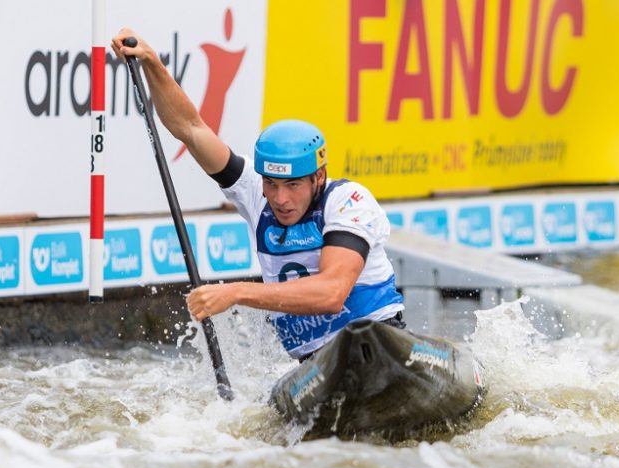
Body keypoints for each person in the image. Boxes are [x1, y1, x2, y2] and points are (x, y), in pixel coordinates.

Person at [111, 30, 405, 360]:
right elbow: (190, 129)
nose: (279, 199)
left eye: (293, 185)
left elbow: (332, 293)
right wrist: (152, 63)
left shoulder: (348, 201)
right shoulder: (253, 191)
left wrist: (236, 292)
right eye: (272, 185)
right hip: (316, 366)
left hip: (380, 346)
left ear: (318, 177)